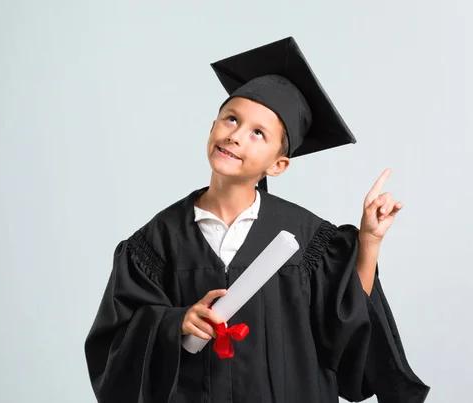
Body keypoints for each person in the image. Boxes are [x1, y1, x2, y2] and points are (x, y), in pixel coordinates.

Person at [84, 36, 430, 403]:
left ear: (278, 166)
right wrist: (174, 323)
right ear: (212, 127)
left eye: (258, 133)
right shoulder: (156, 243)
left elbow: (347, 333)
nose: (236, 136)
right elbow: (115, 348)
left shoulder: (310, 240)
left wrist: (370, 241)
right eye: (230, 119)